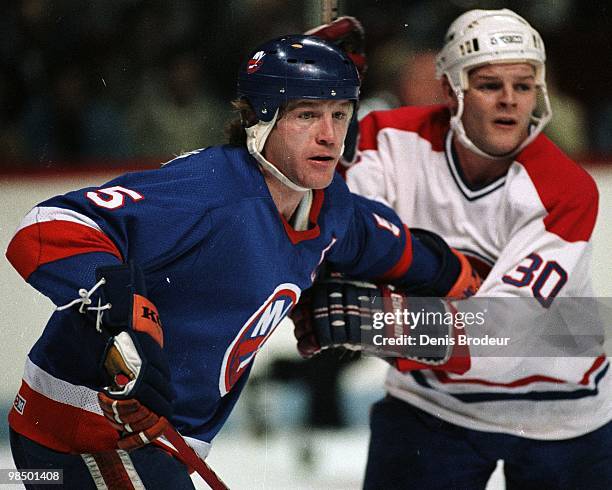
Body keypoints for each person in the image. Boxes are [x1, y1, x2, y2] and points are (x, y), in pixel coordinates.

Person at [5, 34, 479, 489]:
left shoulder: (327, 205)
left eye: (340, 113)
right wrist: (125, 316)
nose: (329, 135)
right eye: (306, 115)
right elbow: (45, 227)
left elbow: (384, 242)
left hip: (157, 440)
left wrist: (461, 276)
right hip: (88, 425)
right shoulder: (212, 191)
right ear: (260, 121)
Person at [301, 9, 612, 489]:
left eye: (524, 86)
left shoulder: (566, 189)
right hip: (432, 403)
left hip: (562, 407)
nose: (510, 102)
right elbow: (327, 229)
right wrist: (312, 114)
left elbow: (502, 336)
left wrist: (378, 325)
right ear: (451, 90)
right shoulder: (387, 138)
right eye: (489, 85)